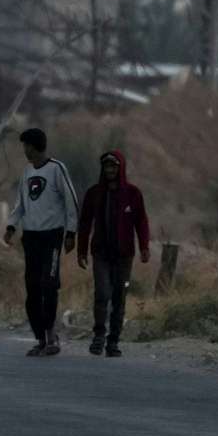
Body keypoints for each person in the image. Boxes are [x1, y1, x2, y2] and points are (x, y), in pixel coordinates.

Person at [2, 128, 77, 357]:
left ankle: (51, 334)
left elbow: (70, 201)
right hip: (31, 237)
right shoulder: (26, 172)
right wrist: (11, 225)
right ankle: (40, 338)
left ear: (34, 147)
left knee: (49, 284)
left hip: (51, 236)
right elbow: (20, 203)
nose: (24, 150)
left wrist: (71, 233)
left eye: (26, 146)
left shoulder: (56, 169)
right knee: (32, 288)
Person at [75, 151, 151, 358]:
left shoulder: (133, 194)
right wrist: (81, 250)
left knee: (120, 297)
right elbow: (84, 224)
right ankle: (99, 335)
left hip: (124, 255)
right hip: (100, 254)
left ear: (121, 168)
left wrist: (144, 247)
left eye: (113, 166)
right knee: (102, 294)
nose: (109, 170)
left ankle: (114, 340)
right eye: (106, 166)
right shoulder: (94, 193)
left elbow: (141, 222)